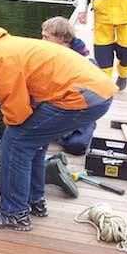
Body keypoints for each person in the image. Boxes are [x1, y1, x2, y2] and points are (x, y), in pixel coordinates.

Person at [0, 24, 115, 231]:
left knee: (16, 142)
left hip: (81, 95)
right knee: (31, 141)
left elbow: (16, 110)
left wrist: (14, 133)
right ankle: (35, 201)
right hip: (95, 91)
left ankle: (13, 213)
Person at [41, 16, 96, 155]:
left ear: (60, 38)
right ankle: (57, 132)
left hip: (79, 109)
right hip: (56, 104)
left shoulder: (85, 61)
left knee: (76, 146)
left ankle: (69, 130)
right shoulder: (48, 55)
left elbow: (91, 98)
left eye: (46, 37)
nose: (42, 41)